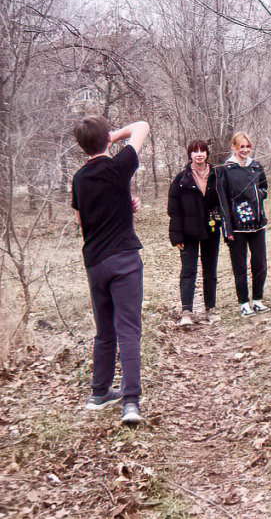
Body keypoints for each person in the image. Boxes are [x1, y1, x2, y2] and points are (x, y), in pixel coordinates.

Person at [72, 116, 150, 425]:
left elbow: (81, 220)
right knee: (129, 330)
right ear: (107, 139)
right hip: (124, 260)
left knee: (105, 331)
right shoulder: (118, 167)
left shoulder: (79, 178)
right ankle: (131, 402)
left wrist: (120, 204)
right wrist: (112, 136)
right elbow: (142, 126)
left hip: (95, 263)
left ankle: (99, 393)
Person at [168, 140, 221, 327]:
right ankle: (187, 311)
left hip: (212, 229)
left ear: (207, 154)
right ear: (189, 155)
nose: (199, 154)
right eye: (195, 151)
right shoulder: (181, 179)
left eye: (202, 151)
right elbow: (174, 210)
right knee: (188, 271)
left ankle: (211, 309)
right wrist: (177, 236)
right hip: (188, 231)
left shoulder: (217, 175)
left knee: (210, 271)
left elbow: (225, 201)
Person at [217, 132, 270, 318]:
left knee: (260, 263)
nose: (245, 150)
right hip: (237, 228)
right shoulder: (226, 169)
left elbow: (264, 188)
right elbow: (222, 199)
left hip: (257, 225)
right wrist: (227, 227)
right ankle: (243, 303)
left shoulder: (256, 166)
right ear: (234, 147)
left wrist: (257, 199)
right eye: (241, 147)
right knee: (239, 266)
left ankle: (257, 300)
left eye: (248, 146)